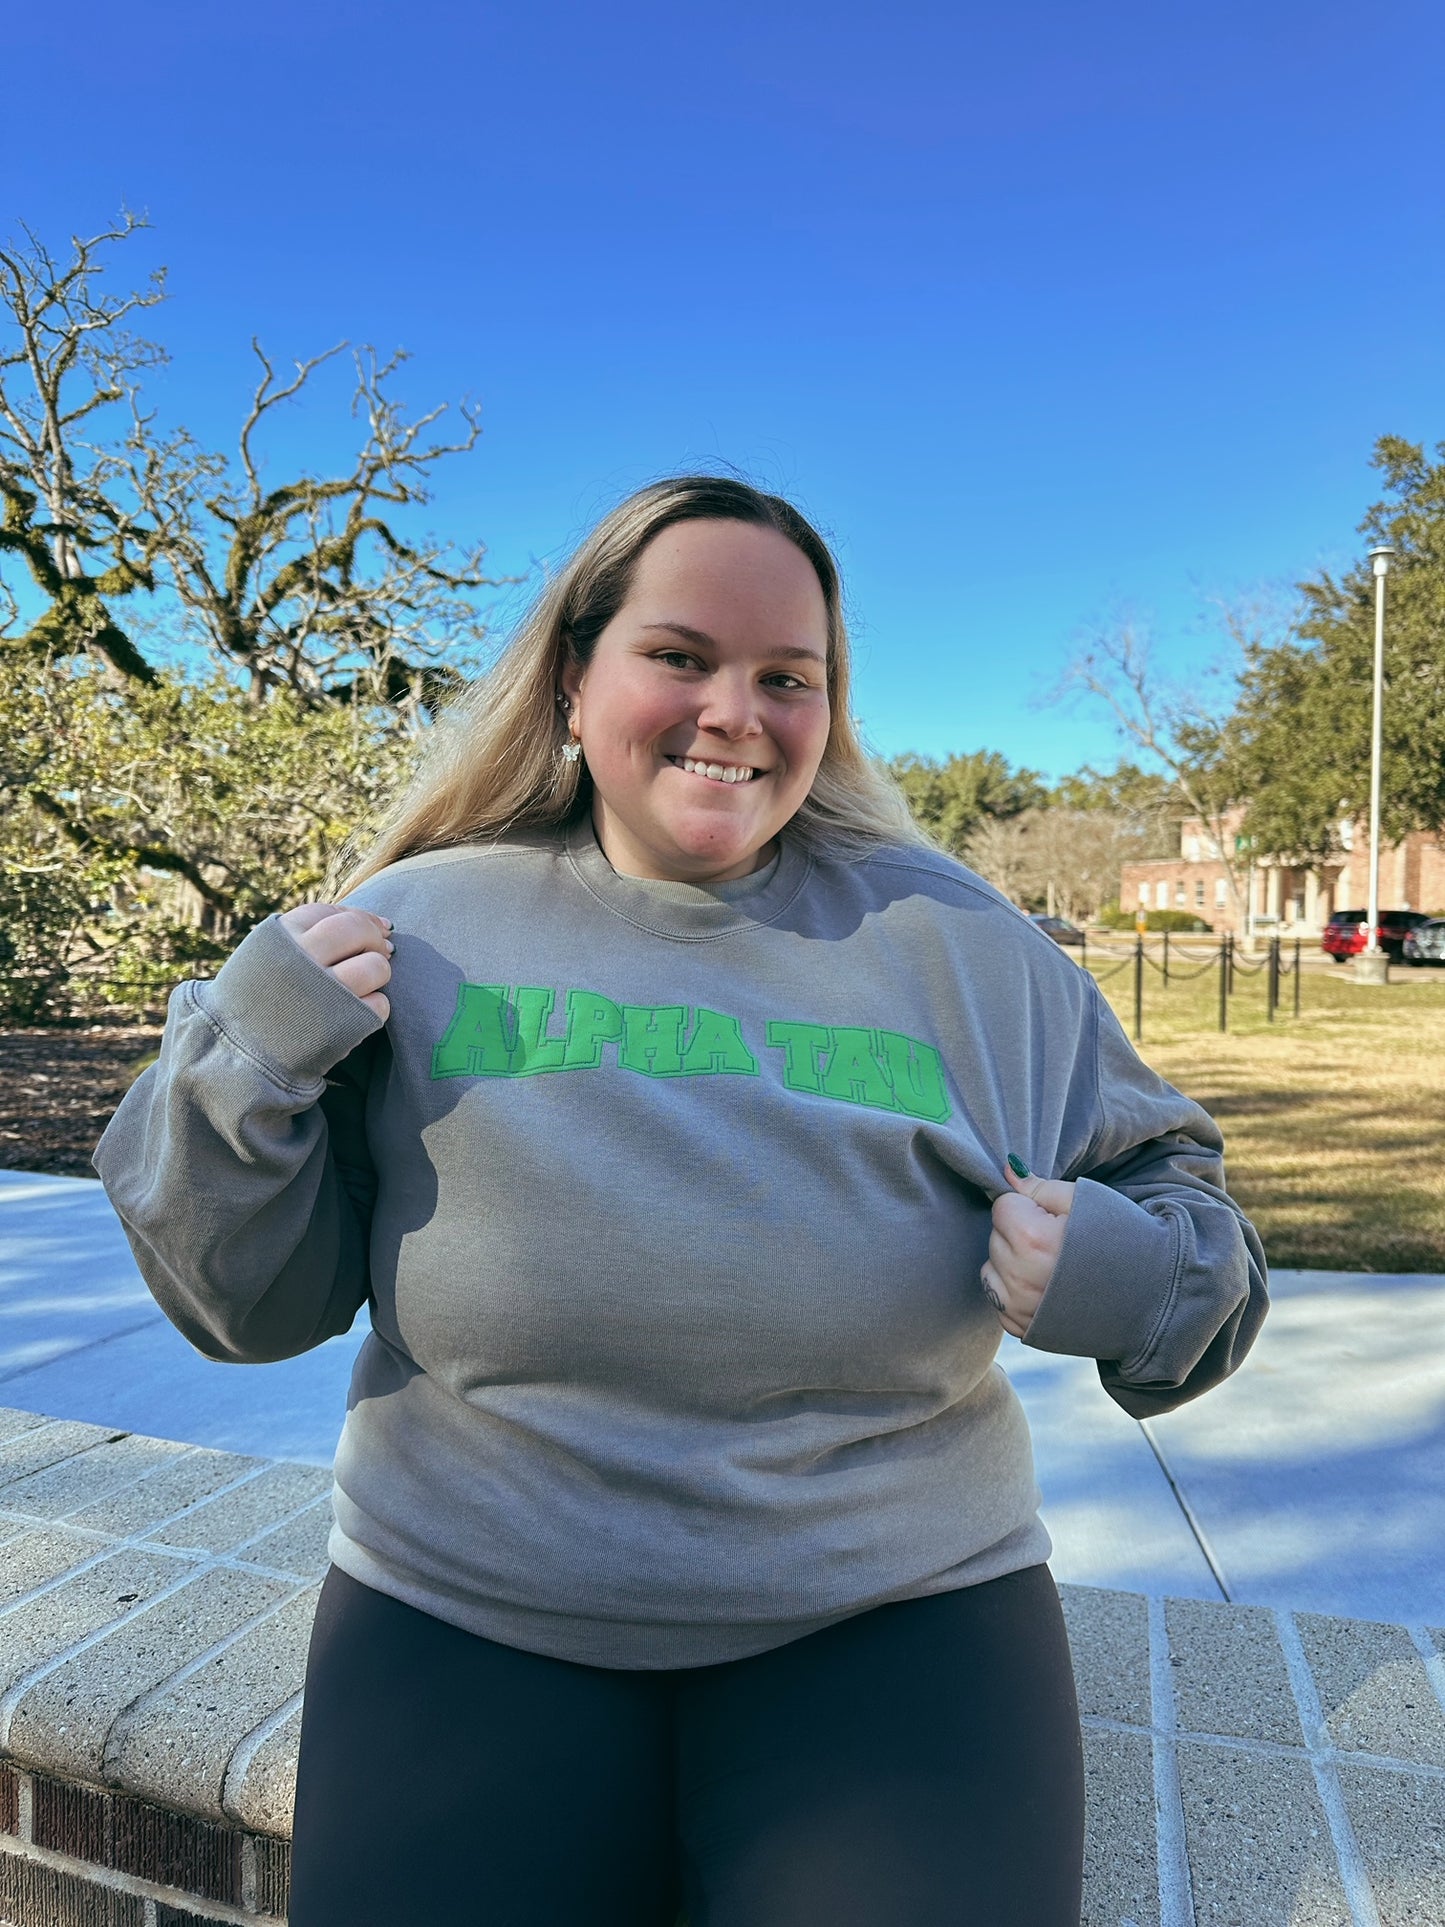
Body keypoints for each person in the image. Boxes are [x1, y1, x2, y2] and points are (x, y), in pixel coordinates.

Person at [94, 475, 1268, 1927]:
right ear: (575, 678)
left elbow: (1189, 1215)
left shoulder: (958, 942)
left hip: (897, 1618)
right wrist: (235, 1062)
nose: (736, 711)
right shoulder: (417, 922)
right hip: (461, 1612)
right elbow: (245, 1309)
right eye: (679, 656)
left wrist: (1126, 1276)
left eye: (789, 677)